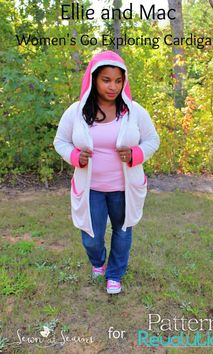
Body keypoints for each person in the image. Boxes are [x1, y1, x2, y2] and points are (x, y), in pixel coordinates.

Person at [53, 50, 160, 294]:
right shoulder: (77, 112)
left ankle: (115, 274)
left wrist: (136, 154)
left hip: (124, 188)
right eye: (106, 80)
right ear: (94, 79)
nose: (113, 86)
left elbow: (152, 140)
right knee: (91, 237)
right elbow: (60, 141)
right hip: (91, 188)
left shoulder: (133, 111)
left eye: (118, 80)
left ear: (124, 81)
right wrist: (74, 156)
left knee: (123, 231)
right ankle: (98, 262)